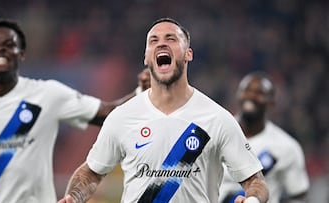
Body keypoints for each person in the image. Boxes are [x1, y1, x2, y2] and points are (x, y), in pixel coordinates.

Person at [58, 17, 269, 203]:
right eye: (154, 41)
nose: (161, 44)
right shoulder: (122, 117)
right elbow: (92, 172)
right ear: (146, 57)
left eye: (171, 39)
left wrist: (252, 200)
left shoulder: (217, 118)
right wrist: (75, 197)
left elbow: (254, 180)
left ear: (188, 54)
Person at [0, 19, 150, 203]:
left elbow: (107, 113)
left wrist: (141, 92)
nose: (1, 49)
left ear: (21, 54)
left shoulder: (48, 94)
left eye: (9, 45)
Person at [219, 72, 310, 203]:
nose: (251, 96)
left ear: (271, 103)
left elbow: (298, 195)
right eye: (247, 90)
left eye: (259, 93)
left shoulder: (286, 147)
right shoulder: (218, 132)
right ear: (238, 95)